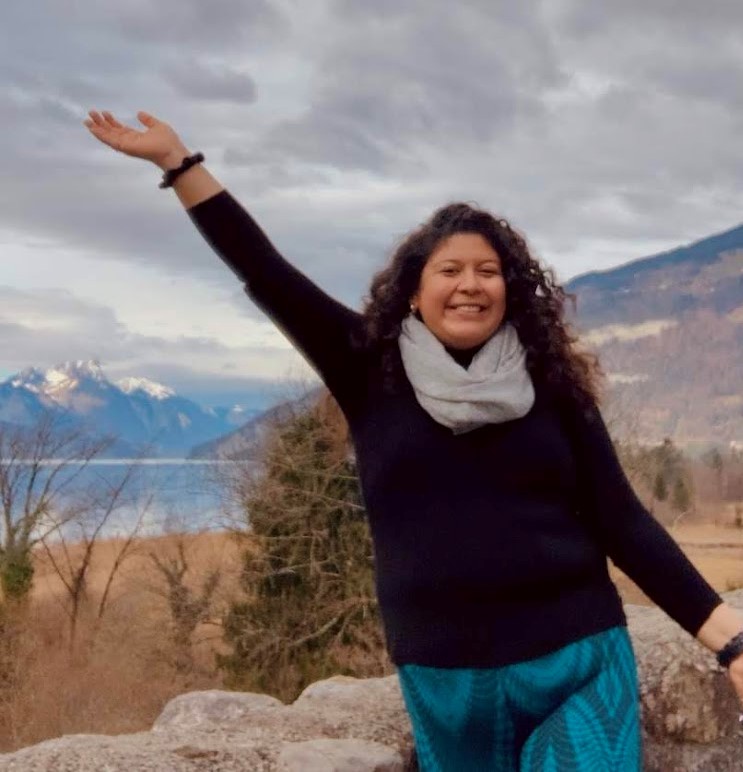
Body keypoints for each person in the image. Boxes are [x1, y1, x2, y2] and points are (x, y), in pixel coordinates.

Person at [84, 109, 743, 771]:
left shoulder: (553, 386)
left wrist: (730, 644)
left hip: (574, 659)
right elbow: (265, 270)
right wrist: (179, 163)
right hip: (445, 680)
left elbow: (621, 520)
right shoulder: (367, 370)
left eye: (487, 271)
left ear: (509, 291)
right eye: (449, 270)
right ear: (413, 293)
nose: (469, 284)